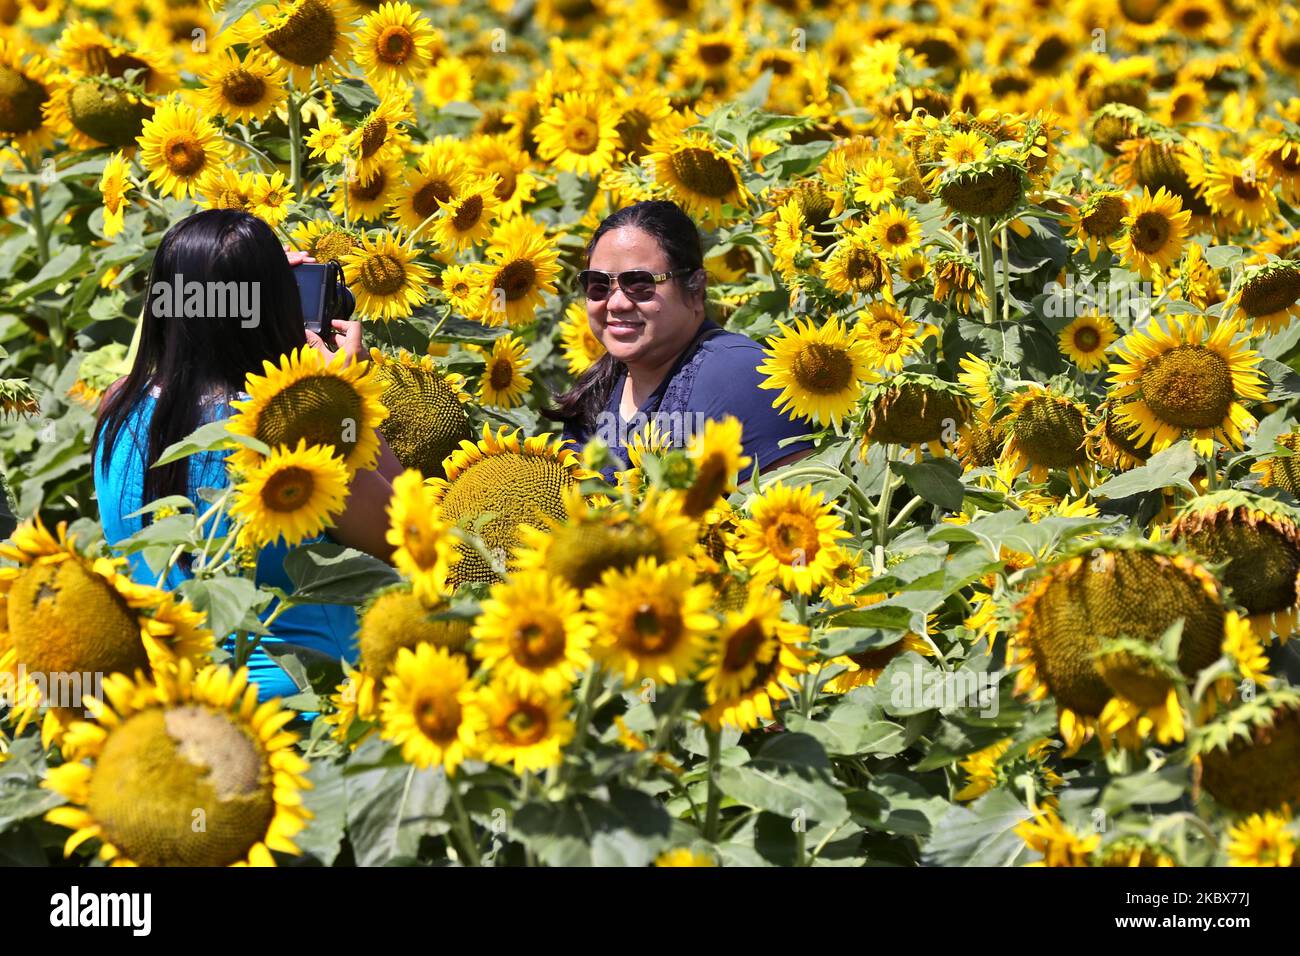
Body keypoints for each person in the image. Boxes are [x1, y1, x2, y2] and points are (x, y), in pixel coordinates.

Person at [92, 209, 402, 702]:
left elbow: (184, 342)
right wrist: (348, 393)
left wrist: (228, 272)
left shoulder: (116, 407)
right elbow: (404, 533)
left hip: (173, 701)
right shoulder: (296, 435)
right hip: (300, 710)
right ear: (275, 306)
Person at [548, 199, 815, 481]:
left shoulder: (744, 376)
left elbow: (790, 513)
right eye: (599, 285)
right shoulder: (594, 394)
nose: (616, 303)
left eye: (640, 284)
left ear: (696, 290)